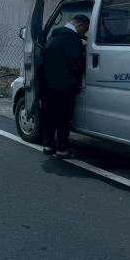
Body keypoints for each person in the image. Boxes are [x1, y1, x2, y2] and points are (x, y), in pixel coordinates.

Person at [41, 14, 90, 158]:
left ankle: (49, 145)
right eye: (84, 30)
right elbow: (76, 64)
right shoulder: (72, 39)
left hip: (47, 84)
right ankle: (62, 148)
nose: (84, 33)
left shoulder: (53, 36)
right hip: (64, 86)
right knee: (63, 118)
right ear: (79, 25)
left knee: (49, 116)